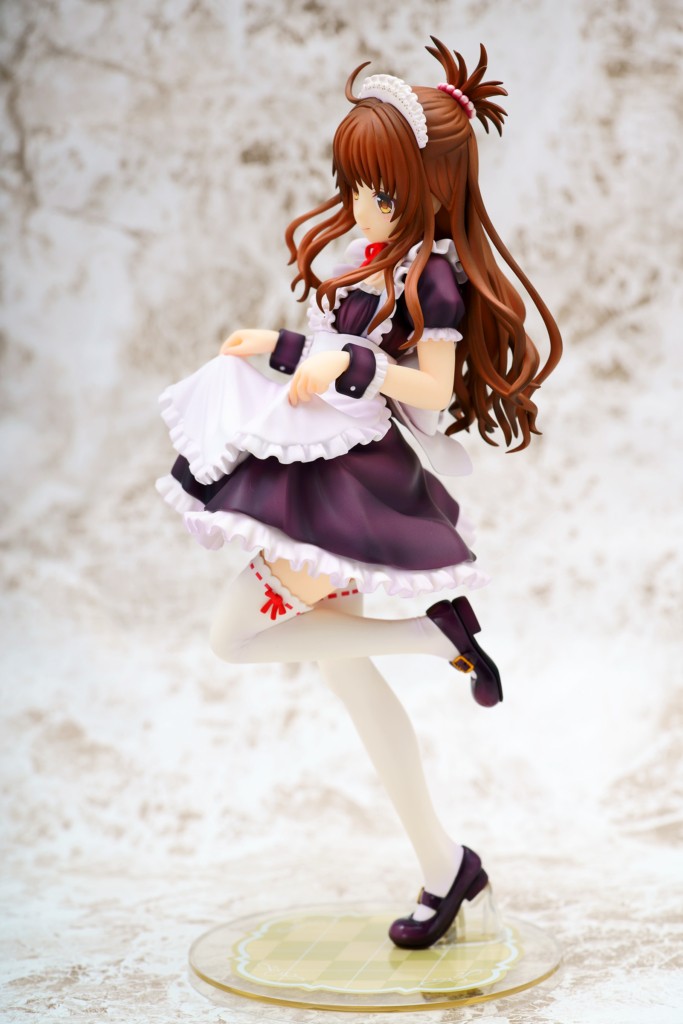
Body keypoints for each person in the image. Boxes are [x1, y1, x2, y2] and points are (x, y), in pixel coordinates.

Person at [156, 37, 562, 949]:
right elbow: (340, 355)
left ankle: (428, 633)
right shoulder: (376, 259)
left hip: (348, 493)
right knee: (348, 678)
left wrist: (342, 365)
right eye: (356, 187)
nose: (361, 206)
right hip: (325, 461)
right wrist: (294, 358)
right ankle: (445, 867)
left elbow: (428, 389)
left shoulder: (434, 278)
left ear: (427, 188)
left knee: (232, 637)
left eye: (379, 190)